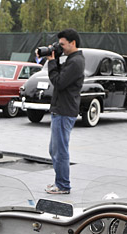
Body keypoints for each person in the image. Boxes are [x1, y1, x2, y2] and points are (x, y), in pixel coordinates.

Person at [40, 29, 84, 195]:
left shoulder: (76, 62)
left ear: (73, 43)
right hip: (61, 109)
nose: (61, 47)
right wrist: (56, 58)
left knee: (60, 150)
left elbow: (59, 82)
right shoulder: (71, 59)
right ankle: (59, 181)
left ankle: (63, 185)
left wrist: (51, 62)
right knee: (54, 150)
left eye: (63, 44)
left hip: (65, 111)